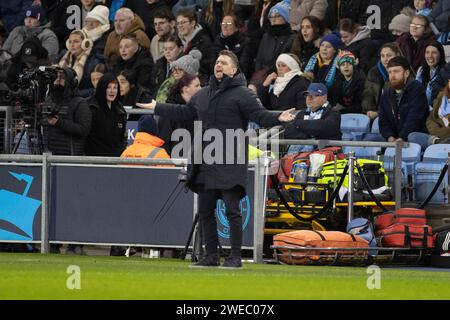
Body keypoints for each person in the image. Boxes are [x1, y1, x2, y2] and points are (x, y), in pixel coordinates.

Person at [136, 50, 296, 268]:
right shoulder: (203, 94)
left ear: (234, 69)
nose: (218, 65)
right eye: (217, 62)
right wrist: (157, 107)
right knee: (205, 211)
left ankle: (235, 257)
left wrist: (278, 116)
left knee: (232, 210)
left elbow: (259, 115)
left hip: (230, 160)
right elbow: (184, 112)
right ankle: (210, 256)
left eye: (224, 62)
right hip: (204, 161)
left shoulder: (243, 94)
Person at [378, 56, 429, 142]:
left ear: (406, 73)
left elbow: (414, 118)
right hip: (394, 138)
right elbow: (383, 119)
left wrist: (402, 137)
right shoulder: (387, 92)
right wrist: (389, 137)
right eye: (390, 72)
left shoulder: (417, 89)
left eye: (396, 71)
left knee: (412, 137)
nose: (392, 76)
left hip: (413, 137)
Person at [248, 0, 295, 91]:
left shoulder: (291, 37)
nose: (273, 19)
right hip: (262, 75)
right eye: (271, 17)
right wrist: (259, 72)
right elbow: (259, 59)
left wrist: (267, 74)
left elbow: (284, 60)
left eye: (277, 16)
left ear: (285, 18)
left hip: (279, 76)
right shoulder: (266, 36)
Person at [45, 67, 92, 156]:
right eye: (56, 77)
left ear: (71, 82)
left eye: (62, 77)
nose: (58, 80)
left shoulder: (80, 102)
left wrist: (60, 123)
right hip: (48, 156)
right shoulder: (48, 100)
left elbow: (84, 130)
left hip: (69, 157)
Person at [85, 73, 127, 156]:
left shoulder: (120, 109)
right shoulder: (90, 106)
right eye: (108, 87)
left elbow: (123, 138)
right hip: (93, 160)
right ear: (102, 88)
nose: (112, 91)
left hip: (115, 160)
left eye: (115, 88)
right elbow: (84, 135)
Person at [157, 73, 201, 154]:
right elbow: (164, 140)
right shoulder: (169, 110)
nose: (201, 89)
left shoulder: (199, 108)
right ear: (186, 89)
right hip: (174, 161)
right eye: (197, 86)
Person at [362, 42, 403, 121]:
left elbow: (399, 102)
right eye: (382, 56)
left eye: (389, 55)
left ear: (397, 55)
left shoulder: (403, 73)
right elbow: (368, 94)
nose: (385, 59)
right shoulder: (373, 72)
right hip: (371, 113)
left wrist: (378, 113)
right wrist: (368, 110)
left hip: (394, 116)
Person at [409, 78, 450, 149]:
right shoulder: (442, 97)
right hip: (437, 137)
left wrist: (441, 134)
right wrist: (437, 134)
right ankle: (437, 142)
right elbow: (430, 119)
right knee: (412, 136)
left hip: (446, 136)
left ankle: (438, 143)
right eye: (449, 81)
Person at [175, 8, 214, 84]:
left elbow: (204, 69)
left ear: (193, 23)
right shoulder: (177, 41)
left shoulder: (204, 42)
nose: (180, 26)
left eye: (183, 22)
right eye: (178, 23)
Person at [416, 41, 446, 108]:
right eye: (427, 52)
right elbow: (416, 91)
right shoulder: (421, 70)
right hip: (422, 108)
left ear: (440, 54)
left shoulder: (446, 72)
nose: (430, 56)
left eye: (434, 53)